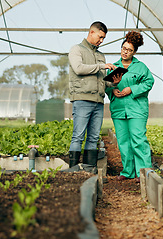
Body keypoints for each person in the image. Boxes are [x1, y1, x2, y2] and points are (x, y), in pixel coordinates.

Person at [68, 21, 119, 169]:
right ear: (91, 32)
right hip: (82, 99)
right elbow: (78, 69)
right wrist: (102, 66)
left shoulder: (100, 55)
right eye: (100, 37)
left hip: (98, 101)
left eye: (103, 38)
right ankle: (74, 171)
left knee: (93, 137)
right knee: (78, 136)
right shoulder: (76, 50)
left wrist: (114, 81)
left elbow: (103, 80)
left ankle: (89, 170)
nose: (101, 41)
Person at [106, 31, 154, 182]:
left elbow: (149, 82)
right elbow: (106, 86)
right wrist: (112, 89)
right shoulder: (113, 67)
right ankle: (128, 171)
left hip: (137, 109)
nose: (125, 52)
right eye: (123, 48)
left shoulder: (141, 67)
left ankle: (143, 172)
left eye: (129, 50)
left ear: (134, 52)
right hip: (119, 109)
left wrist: (131, 89)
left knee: (138, 139)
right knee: (123, 141)